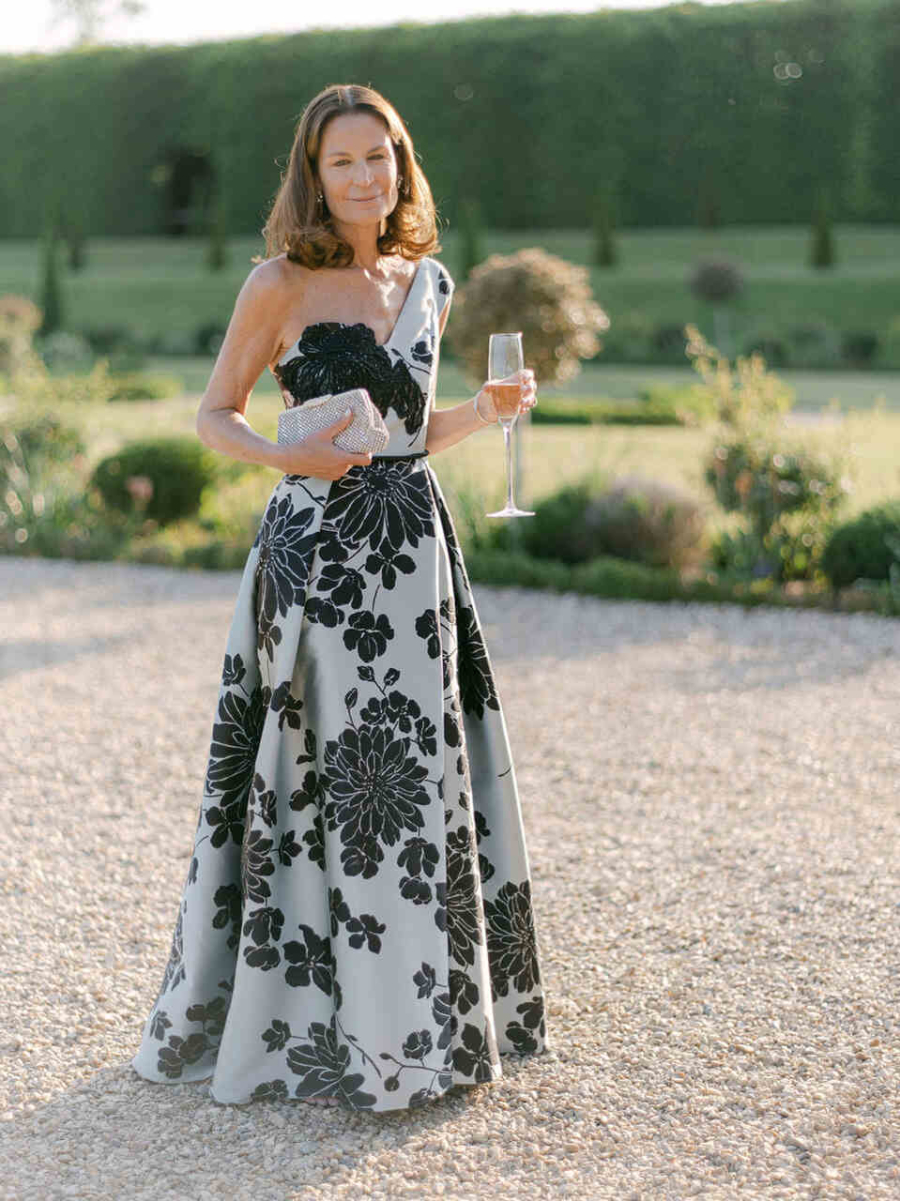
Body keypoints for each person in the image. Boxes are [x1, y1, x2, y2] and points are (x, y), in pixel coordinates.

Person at [130, 83, 548, 1113]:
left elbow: (410, 429)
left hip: (413, 558)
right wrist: (284, 453)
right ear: (313, 176)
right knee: (318, 780)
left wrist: (483, 414)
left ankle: (421, 1024)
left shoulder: (429, 279)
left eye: (381, 156)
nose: (366, 176)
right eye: (343, 161)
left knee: (409, 783)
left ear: (402, 164)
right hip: (318, 558)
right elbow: (213, 414)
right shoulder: (276, 282)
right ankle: (309, 1027)